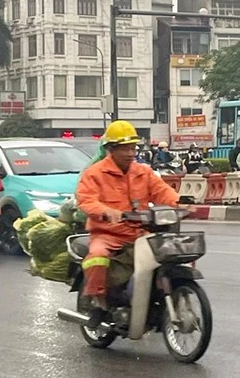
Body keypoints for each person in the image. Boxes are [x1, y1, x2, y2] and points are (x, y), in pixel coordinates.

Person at [75, 120, 179, 322]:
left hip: (140, 232)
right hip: (107, 234)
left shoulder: (143, 171)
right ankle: (98, 302)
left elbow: (162, 192)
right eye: (125, 149)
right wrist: (106, 211)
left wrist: (180, 202)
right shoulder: (94, 174)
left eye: (133, 148)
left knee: (171, 253)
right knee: (97, 256)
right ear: (111, 149)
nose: (131, 153)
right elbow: (86, 200)